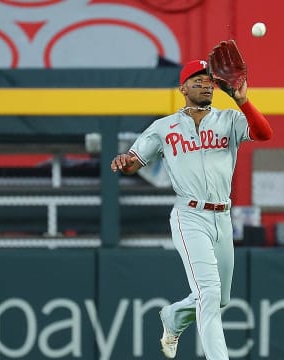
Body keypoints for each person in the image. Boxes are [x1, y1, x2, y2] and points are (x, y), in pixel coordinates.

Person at [110, 59, 272, 360]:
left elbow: (264, 134)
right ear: (182, 88)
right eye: (197, 80)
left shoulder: (229, 120)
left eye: (208, 80)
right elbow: (134, 161)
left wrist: (244, 101)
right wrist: (125, 162)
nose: (204, 84)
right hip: (190, 215)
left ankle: (173, 317)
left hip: (223, 217)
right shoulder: (164, 127)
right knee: (209, 294)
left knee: (219, 298)